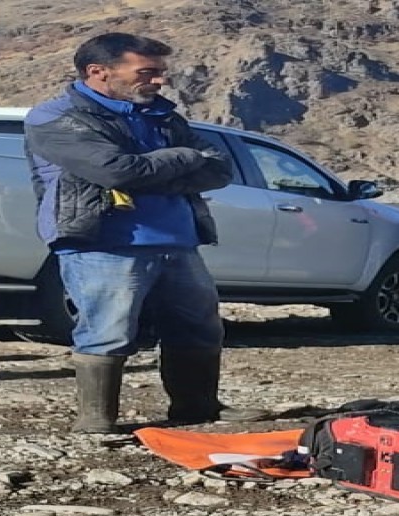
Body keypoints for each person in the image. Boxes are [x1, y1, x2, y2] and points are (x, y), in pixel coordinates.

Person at [24, 32, 266, 433]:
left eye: (160, 72)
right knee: (107, 331)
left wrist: (153, 172)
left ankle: (197, 408)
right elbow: (117, 171)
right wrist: (184, 157)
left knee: (199, 328)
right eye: (146, 72)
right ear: (98, 72)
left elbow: (219, 169)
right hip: (104, 242)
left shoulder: (163, 114)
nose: (159, 81)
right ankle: (96, 421)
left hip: (178, 240)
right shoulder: (54, 118)